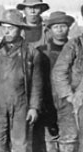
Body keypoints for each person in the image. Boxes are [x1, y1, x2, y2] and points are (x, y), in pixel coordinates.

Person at [0, 9, 44, 152]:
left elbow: (37, 83)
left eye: (10, 28)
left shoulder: (31, 53)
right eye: (4, 28)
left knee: (20, 144)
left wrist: (34, 107)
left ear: (20, 29)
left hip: (21, 104)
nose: (6, 32)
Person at [37, 11, 76, 152]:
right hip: (47, 103)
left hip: (70, 103)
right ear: (49, 30)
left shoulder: (77, 49)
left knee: (70, 142)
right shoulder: (40, 52)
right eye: (55, 27)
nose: (59, 30)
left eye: (63, 26)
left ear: (69, 28)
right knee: (49, 143)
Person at [52, 5, 83, 152]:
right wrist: (69, 96)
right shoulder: (75, 44)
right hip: (75, 102)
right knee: (70, 140)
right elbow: (59, 72)